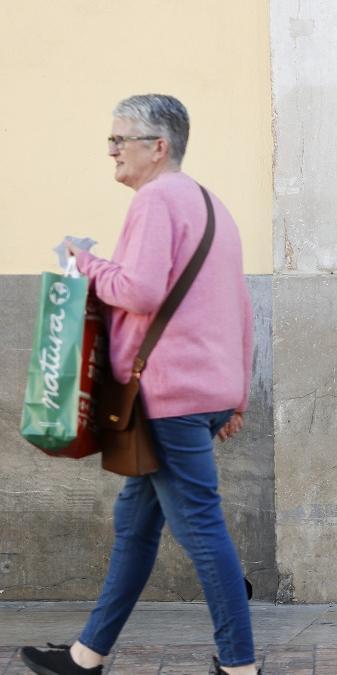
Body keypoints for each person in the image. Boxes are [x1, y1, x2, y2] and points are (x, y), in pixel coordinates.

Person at [19, 94, 259, 675]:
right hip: (198, 392)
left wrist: (85, 262)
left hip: (165, 397)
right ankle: (87, 654)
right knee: (134, 526)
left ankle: (240, 665)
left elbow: (142, 291)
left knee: (201, 528)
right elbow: (241, 308)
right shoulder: (211, 203)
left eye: (120, 139)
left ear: (159, 146)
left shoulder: (157, 199)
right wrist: (236, 395)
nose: (111, 151)